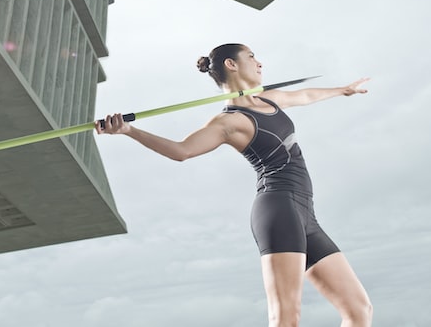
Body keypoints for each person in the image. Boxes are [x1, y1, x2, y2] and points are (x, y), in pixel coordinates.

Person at [95, 43, 372, 327]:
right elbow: (182, 151)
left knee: (359, 310)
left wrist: (343, 90)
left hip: (306, 215)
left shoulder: (270, 99)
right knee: (286, 317)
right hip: (279, 209)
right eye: (252, 57)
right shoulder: (228, 122)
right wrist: (129, 130)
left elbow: (304, 94)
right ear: (231, 64)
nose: (260, 63)